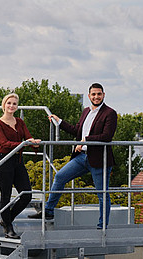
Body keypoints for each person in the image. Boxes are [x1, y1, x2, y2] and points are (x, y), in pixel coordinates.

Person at [28, 83, 117, 229]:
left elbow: (107, 136)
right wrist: (60, 122)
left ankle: (102, 227)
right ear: (89, 96)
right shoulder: (86, 111)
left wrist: (85, 140)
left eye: (99, 94)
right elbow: (77, 130)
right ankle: (49, 211)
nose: (96, 97)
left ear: (104, 95)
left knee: (102, 193)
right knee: (60, 177)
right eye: (93, 94)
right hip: (81, 157)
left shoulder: (110, 113)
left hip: (100, 159)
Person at [0, 93, 41, 239]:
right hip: (3, 161)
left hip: (18, 161)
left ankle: (6, 220)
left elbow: (28, 137)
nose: (11, 106)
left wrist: (34, 143)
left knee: (26, 195)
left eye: (14, 104)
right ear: (4, 105)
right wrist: (24, 144)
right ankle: (9, 228)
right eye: (9, 103)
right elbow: (4, 144)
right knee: (6, 195)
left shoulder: (19, 122)